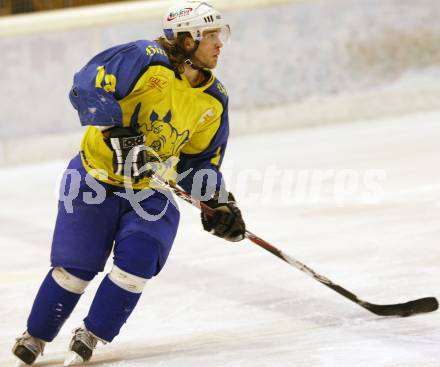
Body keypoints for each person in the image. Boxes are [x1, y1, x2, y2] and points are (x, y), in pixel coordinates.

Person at [12, 1, 246, 365]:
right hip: (94, 180)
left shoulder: (214, 101)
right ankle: (37, 335)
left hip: (148, 190)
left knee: (138, 260)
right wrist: (119, 133)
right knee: (75, 268)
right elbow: (85, 86)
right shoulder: (145, 59)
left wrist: (217, 202)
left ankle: (92, 332)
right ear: (187, 40)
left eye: (221, 34)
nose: (220, 44)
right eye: (211, 35)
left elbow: (199, 162)